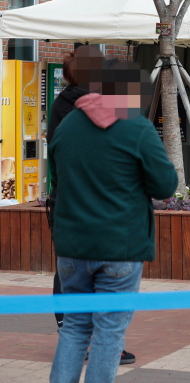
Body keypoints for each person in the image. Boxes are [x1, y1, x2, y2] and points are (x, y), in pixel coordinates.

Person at [49, 58, 178, 383]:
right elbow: (165, 185)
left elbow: (57, 178)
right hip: (119, 246)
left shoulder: (67, 126)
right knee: (108, 334)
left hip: (72, 248)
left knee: (75, 328)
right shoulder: (136, 128)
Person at [46, 46, 136, 366]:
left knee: (70, 273)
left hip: (66, 202)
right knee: (105, 278)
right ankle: (104, 342)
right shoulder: (100, 105)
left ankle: (76, 337)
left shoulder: (60, 104)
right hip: (100, 205)